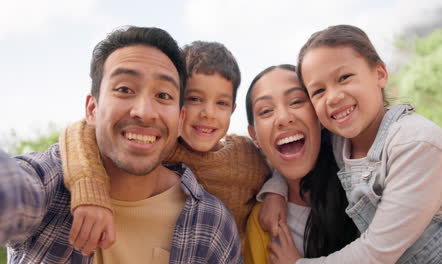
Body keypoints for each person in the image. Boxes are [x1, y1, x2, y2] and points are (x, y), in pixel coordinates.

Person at [0, 26, 242, 264]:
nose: (144, 112)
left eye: (163, 95)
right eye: (124, 89)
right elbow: (14, 188)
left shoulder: (211, 224)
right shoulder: (51, 183)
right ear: (92, 110)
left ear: (180, 119)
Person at [261, 25, 442, 264]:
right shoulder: (341, 140)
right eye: (318, 91)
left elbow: (375, 254)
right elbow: (293, 151)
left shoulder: (416, 143)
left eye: (344, 78)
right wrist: (275, 190)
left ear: (380, 74)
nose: (333, 97)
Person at [59, 40, 270, 255]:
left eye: (221, 103)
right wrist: (90, 193)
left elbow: (278, 170)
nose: (208, 113)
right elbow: (80, 132)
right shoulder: (159, 148)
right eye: (194, 99)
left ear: (233, 110)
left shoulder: (246, 157)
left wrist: (274, 195)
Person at [242, 64, 358, 264]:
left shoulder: (360, 181)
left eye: (296, 101)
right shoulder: (262, 222)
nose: (284, 119)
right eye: (266, 111)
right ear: (255, 136)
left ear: (319, 114)